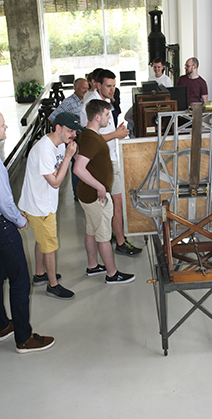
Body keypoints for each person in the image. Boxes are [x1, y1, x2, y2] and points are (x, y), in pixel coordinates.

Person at [0, 109, 54, 353]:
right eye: (3, 125)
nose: (7, 128)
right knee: (20, 281)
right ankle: (24, 338)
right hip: (1, 225)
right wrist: (19, 220)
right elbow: (4, 200)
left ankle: (2, 325)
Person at [80, 69, 142, 256]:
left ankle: (114, 235)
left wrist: (116, 133)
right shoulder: (93, 103)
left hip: (109, 157)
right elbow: (93, 137)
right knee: (117, 202)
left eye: (114, 86)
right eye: (108, 86)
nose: (112, 89)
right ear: (97, 84)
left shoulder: (102, 101)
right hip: (106, 160)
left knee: (113, 203)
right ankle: (120, 242)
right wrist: (116, 134)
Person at [18, 112, 80, 299]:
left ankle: (39, 274)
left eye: (75, 131)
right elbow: (55, 182)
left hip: (41, 202)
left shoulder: (59, 144)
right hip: (40, 206)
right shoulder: (45, 150)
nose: (74, 135)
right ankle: (52, 285)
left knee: (41, 240)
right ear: (58, 128)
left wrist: (70, 152)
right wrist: (69, 157)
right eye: (70, 130)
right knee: (50, 246)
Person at [74, 99, 135, 284]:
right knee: (103, 236)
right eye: (107, 115)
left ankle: (93, 266)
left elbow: (77, 154)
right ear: (98, 116)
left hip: (87, 194)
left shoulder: (87, 133)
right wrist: (100, 186)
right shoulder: (92, 138)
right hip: (95, 196)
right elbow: (78, 168)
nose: (110, 118)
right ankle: (112, 273)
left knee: (91, 231)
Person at [48, 78, 89, 201]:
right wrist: (65, 134)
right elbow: (52, 117)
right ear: (75, 88)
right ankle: (77, 193)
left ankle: (83, 190)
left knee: (83, 163)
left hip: (83, 137)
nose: (86, 90)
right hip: (73, 138)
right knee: (76, 164)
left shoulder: (85, 100)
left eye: (87, 88)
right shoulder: (69, 102)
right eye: (83, 88)